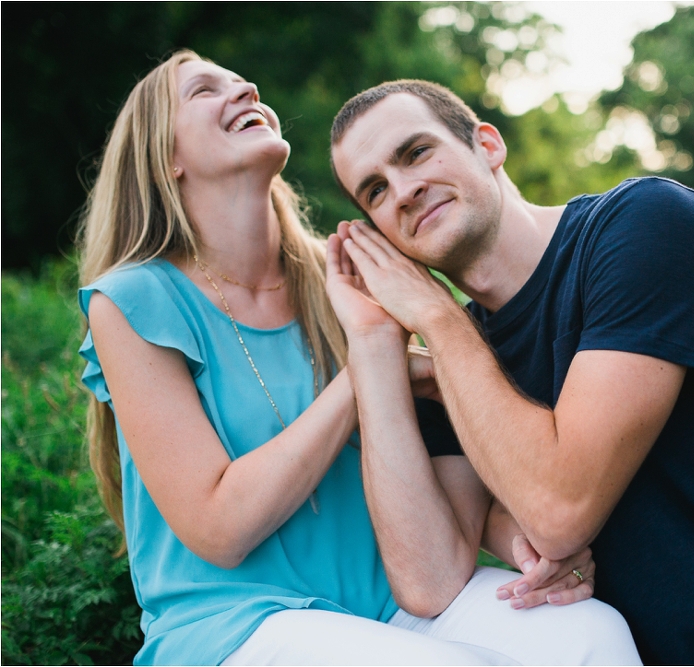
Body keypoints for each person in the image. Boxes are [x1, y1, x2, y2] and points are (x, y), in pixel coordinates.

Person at [76, 51, 639, 665]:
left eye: (242, 81)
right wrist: (371, 368)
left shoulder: (351, 274)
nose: (244, 90)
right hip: (232, 623)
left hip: (392, 604)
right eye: (205, 90)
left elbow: (451, 455)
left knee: (589, 634)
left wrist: (518, 537)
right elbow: (220, 529)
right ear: (167, 158)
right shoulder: (134, 300)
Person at [327, 79, 694, 665]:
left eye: (415, 153)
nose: (404, 191)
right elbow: (429, 581)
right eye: (375, 192)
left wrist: (436, 320)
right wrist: (372, 342)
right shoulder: (457, 364)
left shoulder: (647, 226)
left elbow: (558, 511)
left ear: (487, 145)